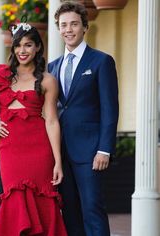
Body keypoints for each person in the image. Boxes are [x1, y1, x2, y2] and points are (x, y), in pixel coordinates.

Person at [0, 23, 67, 236]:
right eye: (18, 46)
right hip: (11, 150)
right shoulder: (2, 77)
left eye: (28, 45)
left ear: (38, 47)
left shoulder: (48, 80)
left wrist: (58, 161)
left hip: (40, 150)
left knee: (42, 203)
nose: (23, 50)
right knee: (14, 201)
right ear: (12, 49)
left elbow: (51, 120)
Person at [48, 1, 119, 236]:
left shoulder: (101, 61)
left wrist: (104, 149)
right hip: (60, 153)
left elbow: (110, 108)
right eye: (64, 25)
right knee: (69, 212)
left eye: (74, 24)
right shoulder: (52, 67)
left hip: (90, 152)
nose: (68, 29)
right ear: (58, 28)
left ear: (84, 27)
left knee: (92, 209)